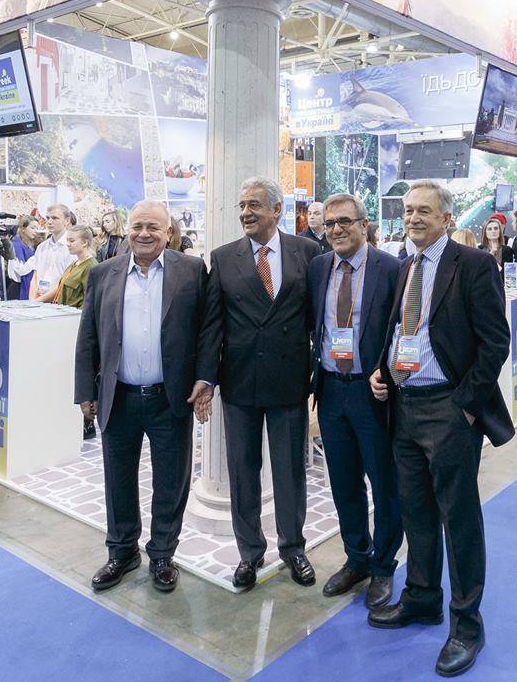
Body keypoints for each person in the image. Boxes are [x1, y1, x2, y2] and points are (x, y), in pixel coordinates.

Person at [368, 180, 512, 678]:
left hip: (449, 410)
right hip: (404, 407)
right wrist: (383, 372)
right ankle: (422, 597)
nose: (413, 218)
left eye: (424, 211)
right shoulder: (404, 266)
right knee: (417, 512)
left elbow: (495, 342)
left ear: (447, 218)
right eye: (408, 210)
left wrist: (466, 407)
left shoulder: (473, 265)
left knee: (459, 519)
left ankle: (467, 625)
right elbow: (400, 332)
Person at [74, 201, 210, 593]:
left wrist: (205, 379)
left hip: (171, 398)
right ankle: (122, 552)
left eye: (153, 227)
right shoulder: (103, 273)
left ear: (169, 233)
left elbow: (207, 330)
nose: (144, 234)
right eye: (137, 226)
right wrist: (85, 390)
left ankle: (163, 554)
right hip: (118, 397)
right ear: (128, 230)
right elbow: (88, 335)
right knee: (118, 479)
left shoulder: (192, 271)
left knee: (171, 481)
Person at [199, 177, 319, 591]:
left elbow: (317, 319)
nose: (245, 213)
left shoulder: (307, 252)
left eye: (254, 205)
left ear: (277, 210)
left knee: (290, 471)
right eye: (242, 205)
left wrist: (319, 374)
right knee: (242, 471)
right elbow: (212, 326)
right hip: (240, 382)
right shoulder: (223, 258)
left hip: (289, 381)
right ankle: (249, 553)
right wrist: (206, 378)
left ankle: (294, 548)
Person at [308, 194, 402, 608]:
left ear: (365, 225)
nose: (336, 230)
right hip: (331, 391)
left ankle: (383, 566)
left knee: (384, 483)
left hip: (373, 392)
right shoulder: (318, 268)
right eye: (329, 223)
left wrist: (390, 373)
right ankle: (357, 558)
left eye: (344, 221)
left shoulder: (391, 269)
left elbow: (403, 329)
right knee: (344, 482)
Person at [15, 204, 75, 299]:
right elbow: (35, 278)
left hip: (60, 302)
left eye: (55, 218)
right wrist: (32, 301)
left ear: (67, 221)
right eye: (48, 218)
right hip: (39, 300)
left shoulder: (72, 247)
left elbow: (66, 281)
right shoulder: (42, 247)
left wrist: (39, 301)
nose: (49, 222)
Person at [36, 226, 97, 308]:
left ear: (84, 243)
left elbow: (90, 300)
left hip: (75, 314)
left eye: (72, 241)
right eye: (67, 240)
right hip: (63, 312)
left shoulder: (91, 267)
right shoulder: (74, 265)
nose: (68, 244)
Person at [9, 217, 43, 300]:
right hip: (19, 288)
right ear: (23, 228)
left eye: (37, 228)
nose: (36, 231)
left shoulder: (35, 244)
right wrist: (36, 257)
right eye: (32, 228)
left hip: (32, 285)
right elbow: (20, 270)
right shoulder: (16, 244)